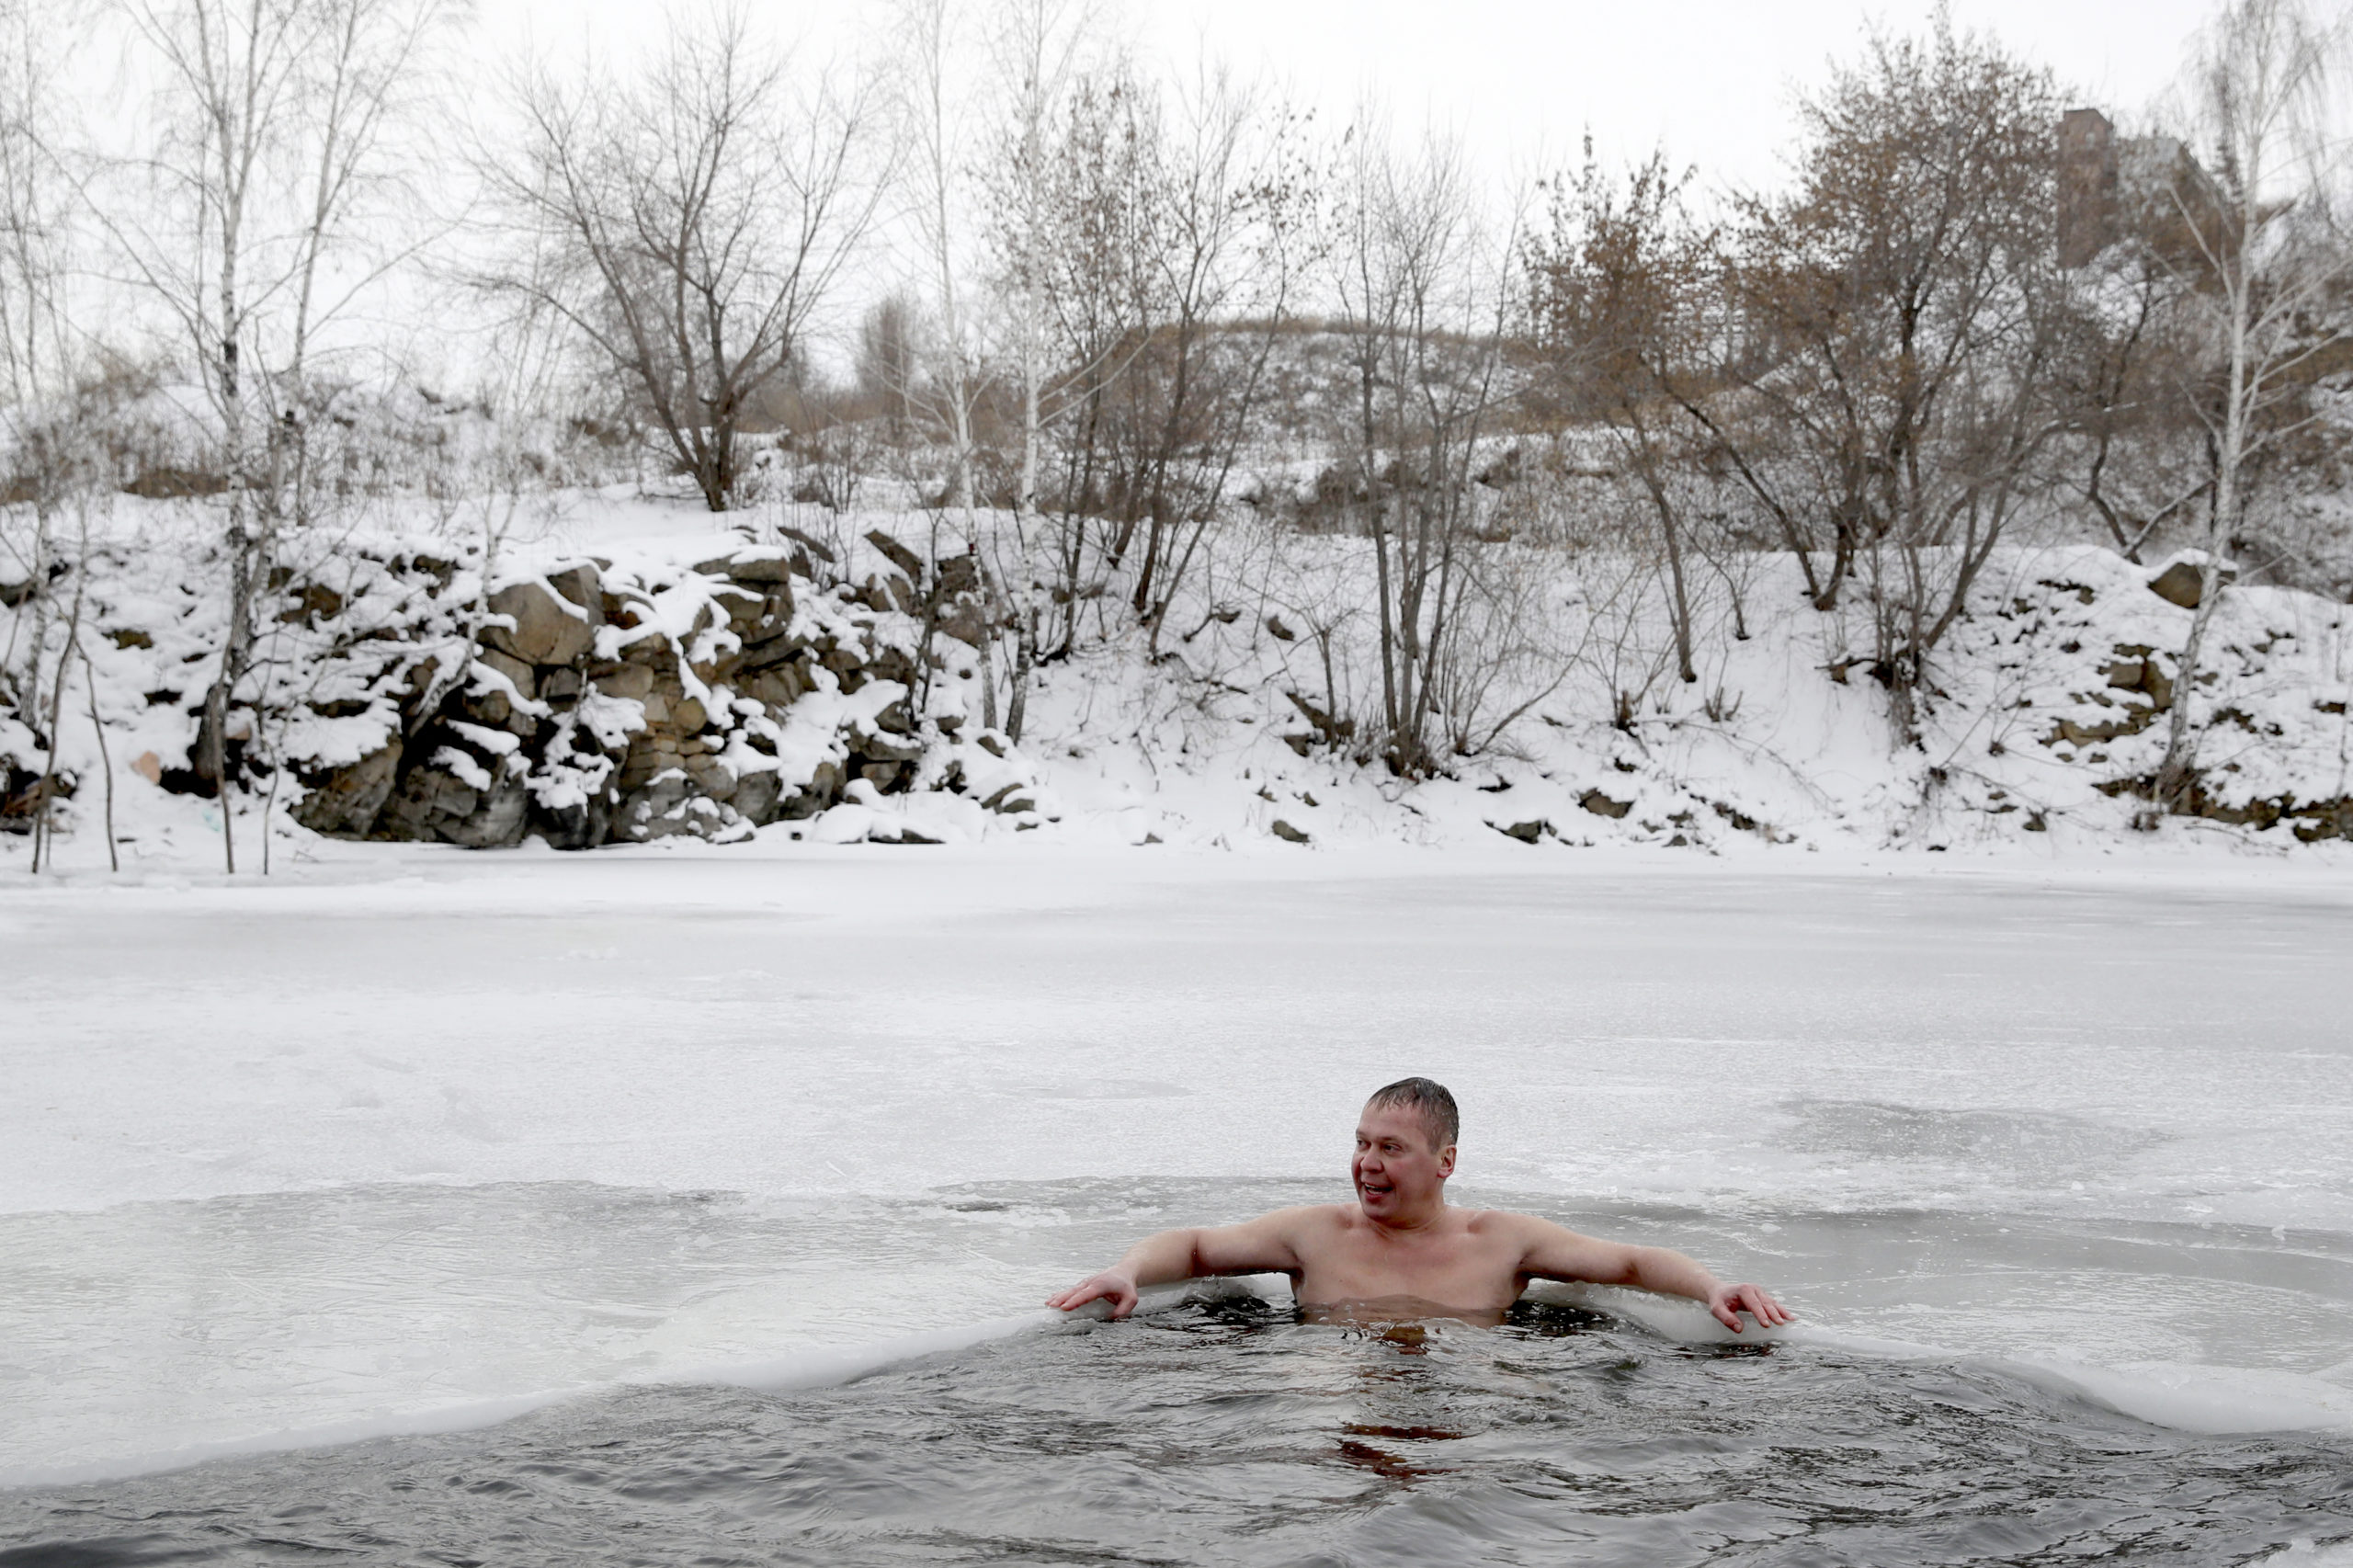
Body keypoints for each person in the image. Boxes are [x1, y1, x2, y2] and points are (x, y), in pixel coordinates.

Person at [1047, 1076, 1793, 1333]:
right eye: (1363, 1143)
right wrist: (1128, 1270)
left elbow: (1627, 1261)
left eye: (1391, 1149)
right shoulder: (1317, 1234)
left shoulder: (1500, 1241)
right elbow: (1198, 1248)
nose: (1367, 1164)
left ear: (1445, 1163)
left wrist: (1710, 1286)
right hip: (1322, 1411)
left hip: (1467, 1409)